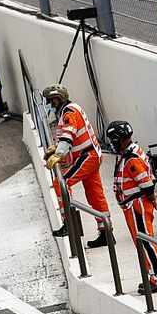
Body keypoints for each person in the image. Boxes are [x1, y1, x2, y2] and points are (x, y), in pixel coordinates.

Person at [42, 84, 110, 248]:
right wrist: (57, 148)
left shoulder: (68, 113)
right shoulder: (72, 109)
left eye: (50, 101)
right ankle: (106, 233)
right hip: (92, 155)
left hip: (87, 156)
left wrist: (59, 154)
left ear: (58, 100)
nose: (48, 105)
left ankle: (69, 223)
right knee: (95, 195)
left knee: (61, 183)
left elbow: (68, 136)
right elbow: (70, 135)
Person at [105, 120, 157, 295]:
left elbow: (147, 184)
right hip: (134, 205)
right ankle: (154, 275)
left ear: (120, 138)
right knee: (143, 241)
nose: (111, 142)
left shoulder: (131, 158)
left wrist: (152, 198)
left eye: (113, 139)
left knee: (145, 241)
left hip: (137, 205)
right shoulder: (130, 152)